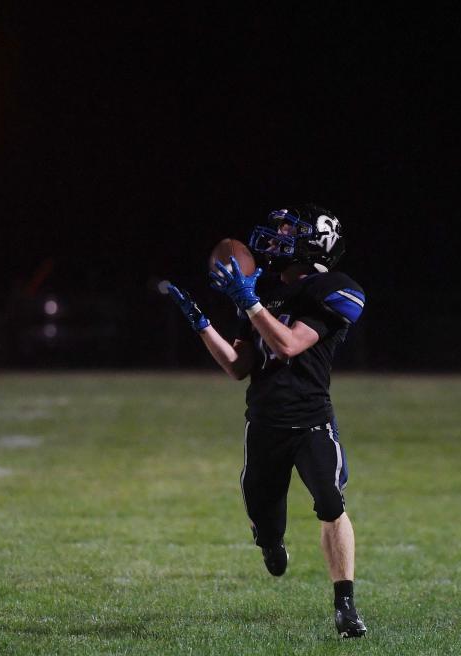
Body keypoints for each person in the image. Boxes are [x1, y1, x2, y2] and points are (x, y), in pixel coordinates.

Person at [167, 204, 367, 638]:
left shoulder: (335, 289)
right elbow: (239, 365)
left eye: (289, 231)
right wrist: (202, 325)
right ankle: (271, 543)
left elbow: (291, 344)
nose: (277, 239)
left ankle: (345, 605)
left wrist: (251, 302)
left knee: (331, 503)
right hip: (264, 422)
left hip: (312, 419)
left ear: (317, 242)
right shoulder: (264, 289)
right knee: (265, 517)